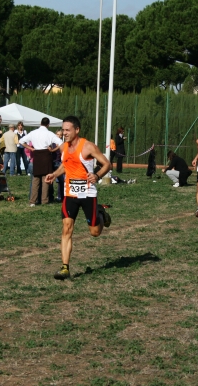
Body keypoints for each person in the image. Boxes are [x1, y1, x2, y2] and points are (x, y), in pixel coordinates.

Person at [44, 116, 112, 280]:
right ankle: (65, 268)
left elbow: (107, 164)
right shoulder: (63, 148)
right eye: (63, 130)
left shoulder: (87, 146)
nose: (64, 133)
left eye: (67, 130)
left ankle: (101, 214)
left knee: (95, 232)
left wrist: (96, 175)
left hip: (88, 193)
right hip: (70, 193)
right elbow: (65, 165)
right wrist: (54, 174)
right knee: (66, 229)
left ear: (77, 130)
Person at [20, 117, 63, 206]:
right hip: (46, 156)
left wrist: (31, 148)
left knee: (35, 180)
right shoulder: (50, 134)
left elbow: (21, 141)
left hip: (37, 156)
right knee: (46, 179)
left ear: (40, 123)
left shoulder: (33, 133)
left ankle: (33, 201)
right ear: (48, 124)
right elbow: (61, 143)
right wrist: (53, 150)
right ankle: (44, 200)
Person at [52, 128, 65, 202]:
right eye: (58, 134)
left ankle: (60, 196)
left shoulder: (62, 144)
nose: (59, 136)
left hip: (59, 162)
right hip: (52, 162)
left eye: (60, 135)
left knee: (61, 181)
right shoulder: (52, 143)